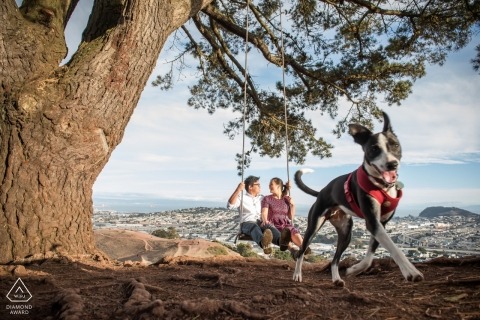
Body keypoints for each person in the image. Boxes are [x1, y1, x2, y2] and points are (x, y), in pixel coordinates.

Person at [228, 175, 291, 254]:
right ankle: (264, 244)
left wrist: (287, 189)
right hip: (247, 223)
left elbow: (278, 196)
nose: (260, 186)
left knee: (269, 226)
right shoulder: (242, 197)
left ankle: (281, 241)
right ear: (250, 187)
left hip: (261, 222)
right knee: (253, 226)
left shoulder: (262, 198)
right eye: (258, 185)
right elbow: (230, 205)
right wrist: (238, 189)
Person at [261, 177, 311, 257]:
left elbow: (290, 217)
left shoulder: (286, 199)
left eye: (271, 184)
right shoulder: (267, 199)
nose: (269, 186)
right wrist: (265, 221)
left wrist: (293, 205)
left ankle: (303, 249)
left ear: (278, 186)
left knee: (293, 231)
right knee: (285, 233)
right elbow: (264, 212)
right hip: (273, 224)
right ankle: (293, 250)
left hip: (285, 223)